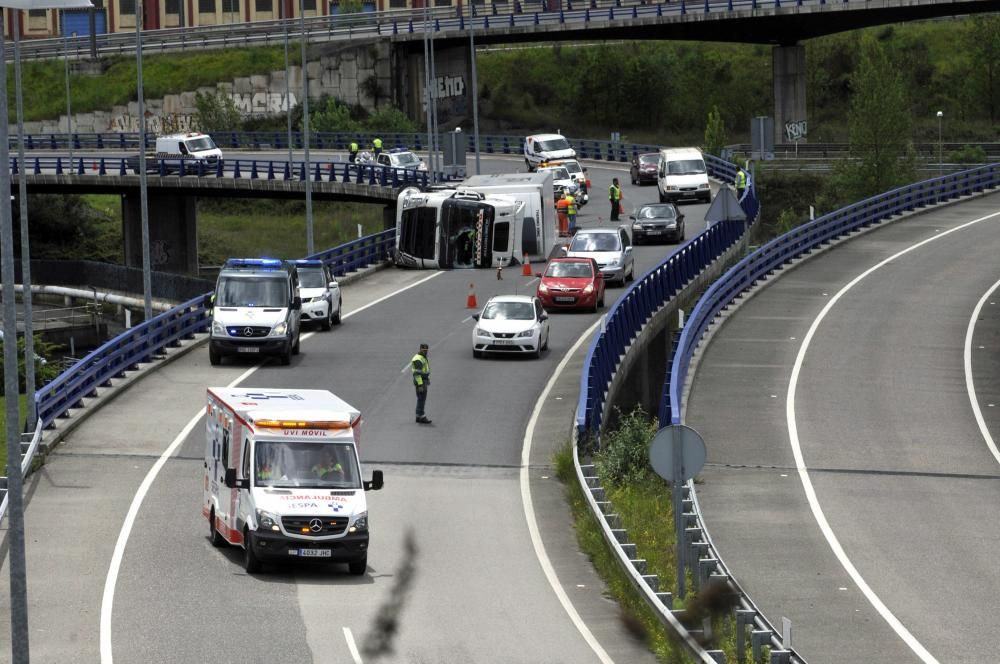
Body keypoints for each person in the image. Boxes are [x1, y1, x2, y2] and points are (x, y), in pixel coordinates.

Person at [411, 343, 432, 424]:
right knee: (421, 399)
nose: (425, 352)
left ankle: (418, 416)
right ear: (420, 349)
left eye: (426, 350)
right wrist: (420, 385)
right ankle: (422, 416)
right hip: (421, 382)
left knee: (421, 399)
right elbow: (417, 374)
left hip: (423, 380)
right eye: (423, 350)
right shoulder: (418, 359)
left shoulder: (422, 357)